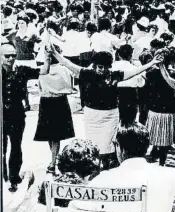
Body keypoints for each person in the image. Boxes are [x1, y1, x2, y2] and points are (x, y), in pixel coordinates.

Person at [51, 47, 163, 169]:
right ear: (94, 65)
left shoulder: (115, 75)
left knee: (109, 146)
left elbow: (135, 71)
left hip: (111, 116)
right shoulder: (86, 73)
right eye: (100, 67)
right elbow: (68, 64)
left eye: (105, 67)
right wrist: (55, 53)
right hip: (92, 117)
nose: (102, 69)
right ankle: (97, 169)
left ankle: (106, 168)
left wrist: (152, 63)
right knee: (93, 146)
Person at [2, 43, 39, 191]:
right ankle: (3, 177)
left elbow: (43, 71)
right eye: (7, 56)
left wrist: (49, 55)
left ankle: (13, 176)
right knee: (2, 148)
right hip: (1, 115)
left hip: (17, 114)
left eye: (13, 55)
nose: (11, 58)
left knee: (16, 146)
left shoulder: (21, 70)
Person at [34, 44, 75, 174]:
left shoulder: (42, 70)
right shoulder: (65, 70)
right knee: (55, 135)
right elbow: (71, 87)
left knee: (50, 134)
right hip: (60, 101)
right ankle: (54, 159)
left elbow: (40, 88)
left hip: (46, 101)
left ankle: (53, 160)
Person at [112, 44, 146, 124]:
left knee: (114, 122)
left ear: (119, 55)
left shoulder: (112, 66)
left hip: (114, 95)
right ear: (131, 56)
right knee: (129, 123)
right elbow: (141, 84)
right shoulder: (135, 69)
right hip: (130, 97)